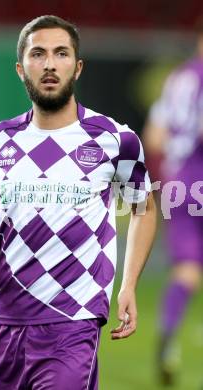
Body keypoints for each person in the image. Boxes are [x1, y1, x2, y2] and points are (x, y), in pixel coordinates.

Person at [0, 15, 156, 389]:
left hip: (73, 323)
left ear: (78, 66)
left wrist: (128, 284)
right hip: (4, 325)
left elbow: (144, 208)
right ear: (21, 69)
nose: (50, 64)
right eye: (38, 54)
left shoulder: (115, 140)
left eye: (61, 53)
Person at [143, 22, 203, 386]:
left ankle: (167, 340)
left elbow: (154, 136)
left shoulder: (177, 79)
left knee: (187, 270)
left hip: (180, 183)